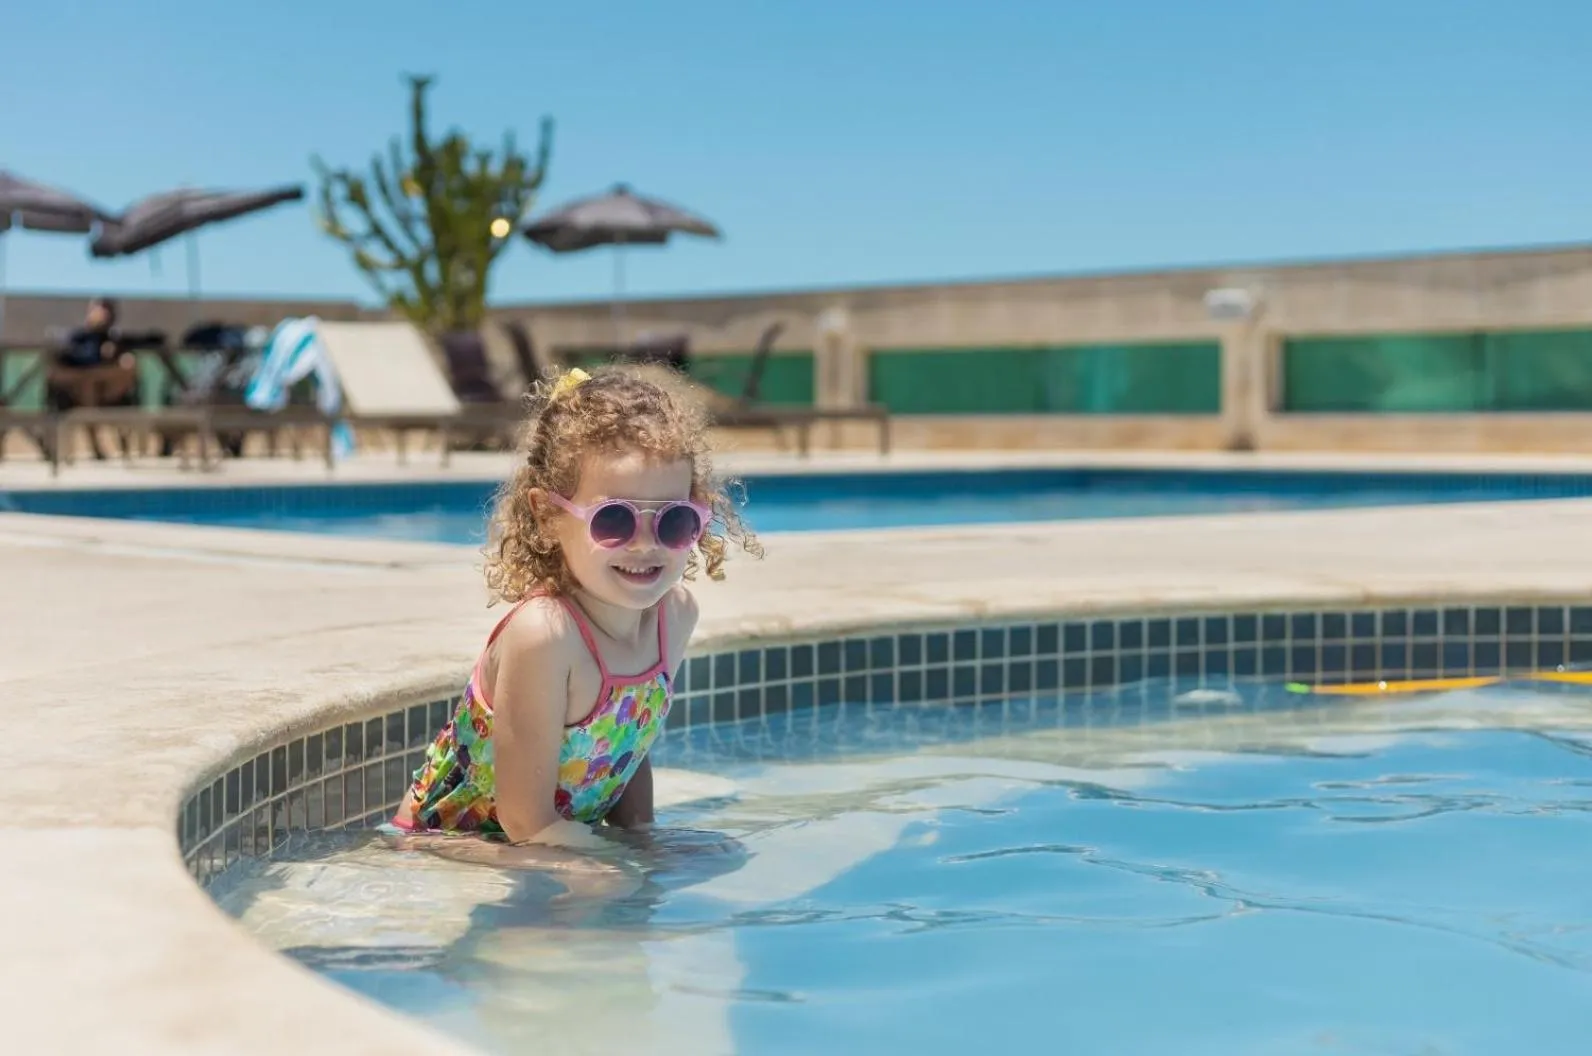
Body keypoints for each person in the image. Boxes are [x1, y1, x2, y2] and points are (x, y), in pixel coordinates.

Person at [389, 365, 762, 871]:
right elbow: (525, 822)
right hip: (446, 850)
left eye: (673, 520)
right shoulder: (546, 636)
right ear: (547, 514)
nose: (646, 545)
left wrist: (644, 835)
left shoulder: (673, 616)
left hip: (547, 841)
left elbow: (630, 743)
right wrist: (624, 865)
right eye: (615, 520)